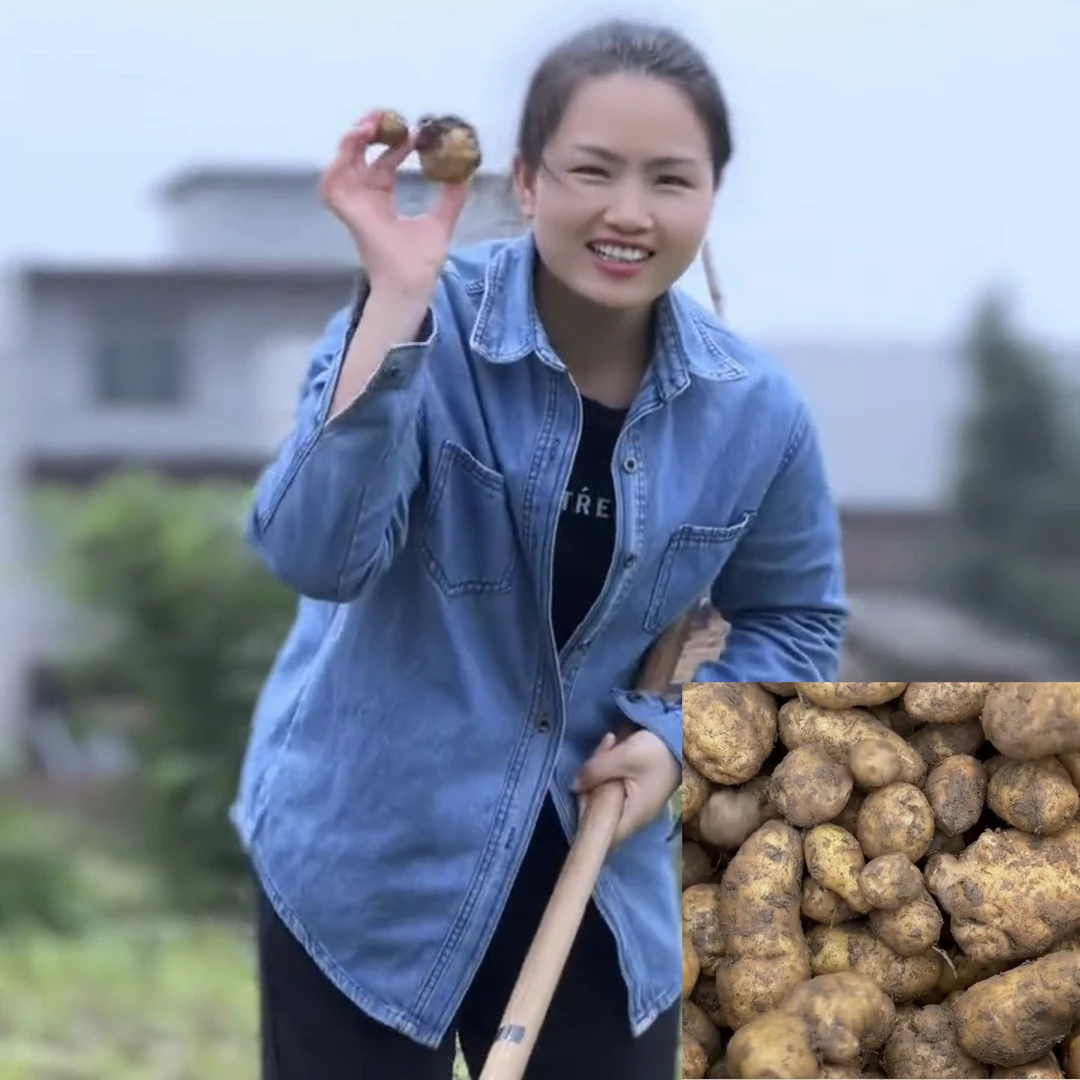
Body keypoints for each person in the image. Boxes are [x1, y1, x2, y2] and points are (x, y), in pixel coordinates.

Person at [232, 16, 847, 1080]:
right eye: (591, 170)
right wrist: (399, 303)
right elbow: (316, 558)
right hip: (366, 860)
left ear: (711, 197)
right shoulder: (418, 323)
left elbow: (798, 621)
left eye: (670, 179)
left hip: (597, 867)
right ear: (524, 180)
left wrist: (673, 740)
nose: (627, 212)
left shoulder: (757, 413)